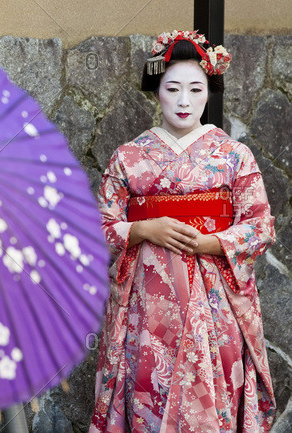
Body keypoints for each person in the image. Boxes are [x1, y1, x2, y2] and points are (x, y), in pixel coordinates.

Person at [89, 30, 276, 432]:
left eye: (196, 88)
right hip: (148, 303)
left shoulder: (233, 156)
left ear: (210, 91)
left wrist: (213, 242)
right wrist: (142, 229)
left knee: (217, 387)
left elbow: (259, 226)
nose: (184, 101)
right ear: (157, 91)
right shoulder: (128, 157)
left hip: (216, 302)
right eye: (172, 88)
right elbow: (98, 228)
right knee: (147, 384)